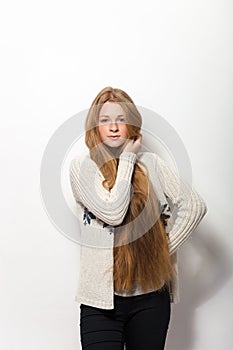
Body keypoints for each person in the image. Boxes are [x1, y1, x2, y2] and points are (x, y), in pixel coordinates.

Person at [69, 86, 208, 350]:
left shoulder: (153, 163)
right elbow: (113, 212)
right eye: (105, 120)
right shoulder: (83, 167)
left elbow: (195, 206)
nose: (113, 127)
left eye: (121, 119)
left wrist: (159, 251)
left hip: (150, 298)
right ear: (94, 126)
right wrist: (129, 159)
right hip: (101, 303)